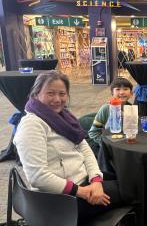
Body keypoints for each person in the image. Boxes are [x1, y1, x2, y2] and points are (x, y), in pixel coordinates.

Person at [13, 71, 122, 223]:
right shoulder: (31, 125)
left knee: (129, 179)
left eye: (62, 93)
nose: (57, 99)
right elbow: (38, 176)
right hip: (60, 201)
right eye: (50, 93)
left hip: (82, 182)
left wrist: (96, 181)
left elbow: (84, 148)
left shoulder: (64, 117)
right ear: (36, 94)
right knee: (134, 190)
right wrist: (82, 192)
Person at [88, 77, 133, 155]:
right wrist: (106, 145)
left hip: (126, 149)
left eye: (125, 89)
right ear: (112, 92)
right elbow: (93, 133)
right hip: (110, 150)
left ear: (131, 93)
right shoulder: (106, 109)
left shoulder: (132, 109)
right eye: (118, 89)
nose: (122, 92)